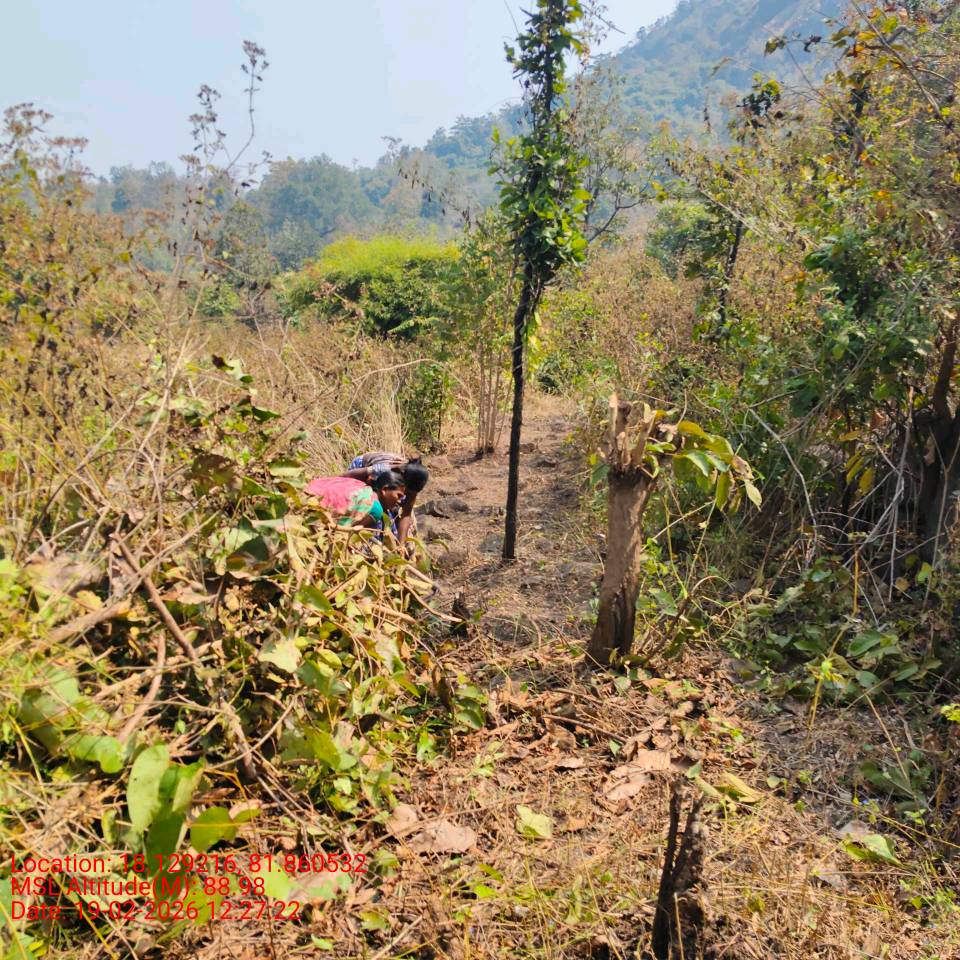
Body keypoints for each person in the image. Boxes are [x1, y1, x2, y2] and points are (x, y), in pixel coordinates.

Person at [342, 452, 429, 545]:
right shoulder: (384, 470)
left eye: (409, 494)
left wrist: (401, 544)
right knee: (375, 514)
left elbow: (406, 515)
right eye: (406, 492)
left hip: (387, 487)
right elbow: (344, 476)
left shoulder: (414, 483)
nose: (406, 496)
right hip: (362, 476)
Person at [304, 471, 406, 535]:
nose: (399, 501)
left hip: (307, 496)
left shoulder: (360, 485)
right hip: (315, 517)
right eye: (399, 495)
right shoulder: (376, 509)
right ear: (384, 490)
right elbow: (349, 532)